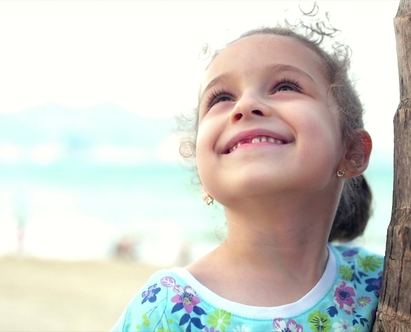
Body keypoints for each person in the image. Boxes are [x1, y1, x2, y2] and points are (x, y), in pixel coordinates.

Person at [112, 22, 384, 332]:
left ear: (352, 152)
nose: (245, 105)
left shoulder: (383, 283)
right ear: (203, 175)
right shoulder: (166, 309)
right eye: (221, 98)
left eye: (285, 87)